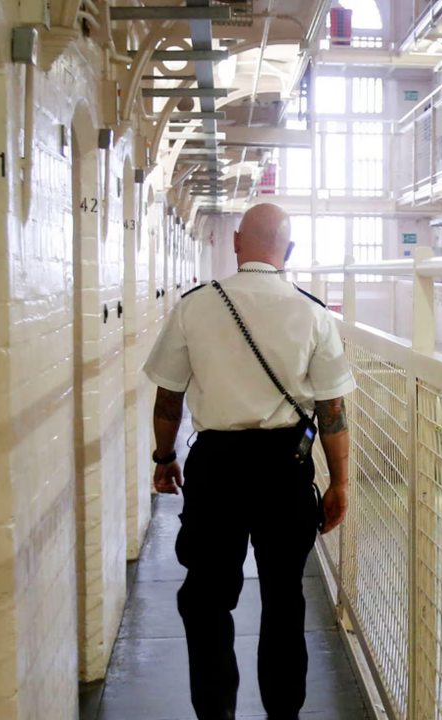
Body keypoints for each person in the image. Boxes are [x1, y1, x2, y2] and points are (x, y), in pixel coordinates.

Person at [142, 202, 356, 720]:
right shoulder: (312, 313)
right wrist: (340, 482)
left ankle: (216, 712)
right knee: (284, 599)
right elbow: (332, 411)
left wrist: (164, 457)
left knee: (207, 600)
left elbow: (169, 399)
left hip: (216, 469)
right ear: (289, 250)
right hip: (285, 470)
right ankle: (283, 714)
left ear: (237, 242)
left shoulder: (194, 307)